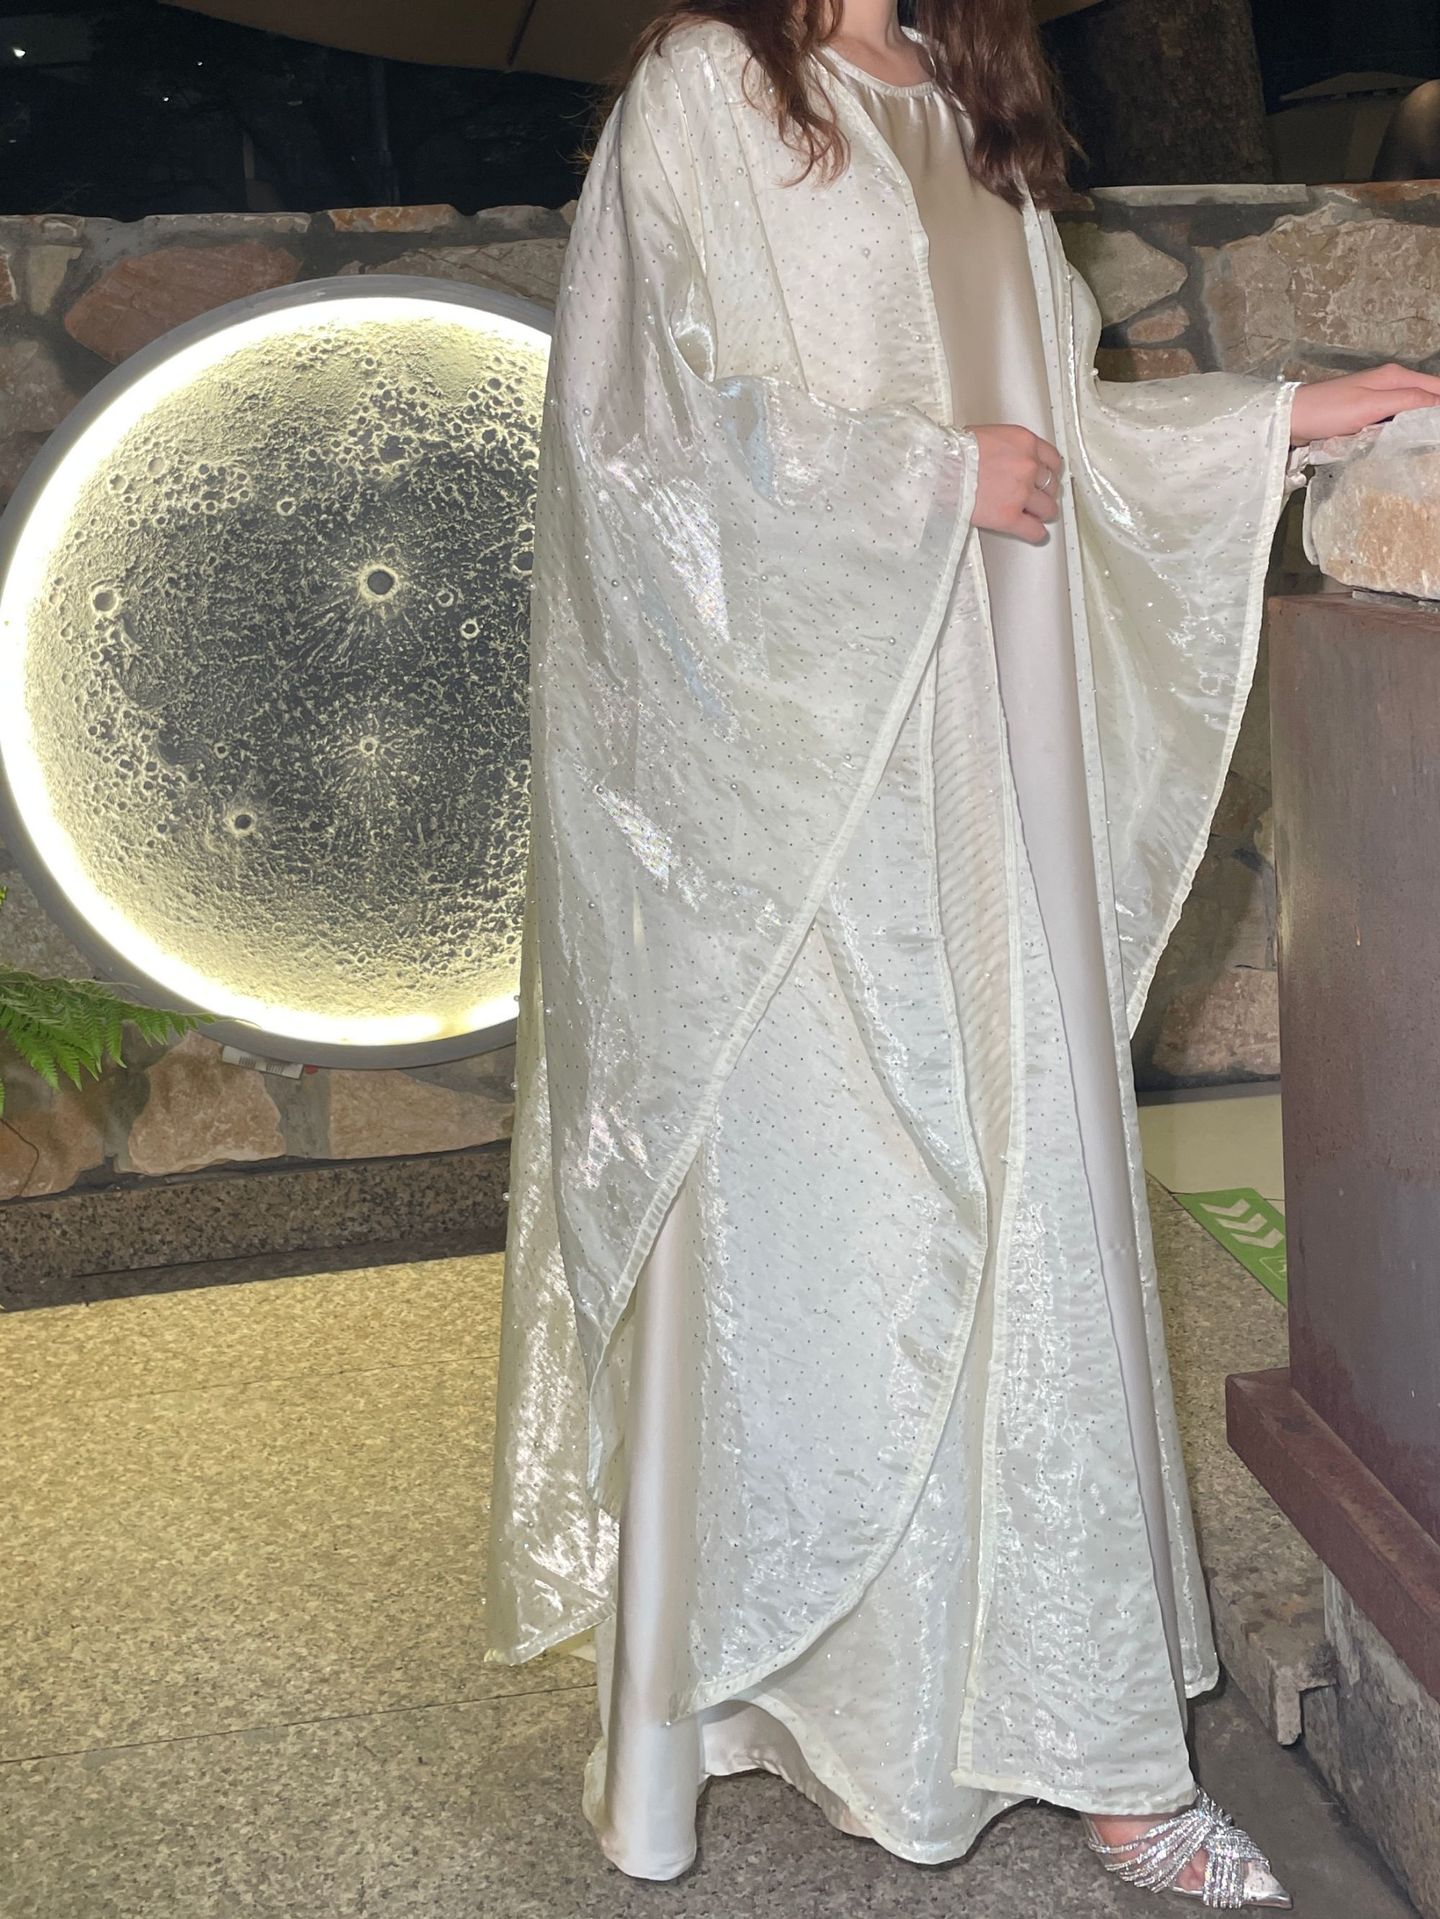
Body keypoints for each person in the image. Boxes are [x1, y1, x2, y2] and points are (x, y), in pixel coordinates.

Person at [483, 1, 1440, 1907]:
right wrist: (926, 477)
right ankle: (798, 1705)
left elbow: (1056, 436)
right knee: (824, 1243)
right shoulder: (710, 88)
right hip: (807, 811)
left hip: (991, 773)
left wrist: (1284, 419)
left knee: (1032, 1217)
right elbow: (637, 437)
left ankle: (1095, 1750)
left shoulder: (972, 100)